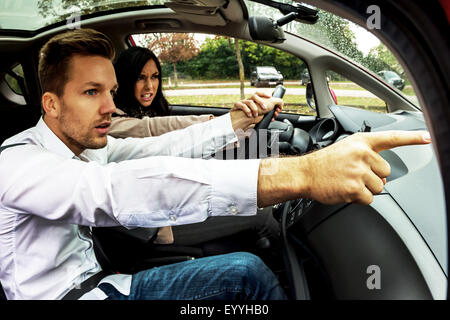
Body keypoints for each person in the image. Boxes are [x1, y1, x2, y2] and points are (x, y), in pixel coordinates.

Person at [0, 28, 430, 300]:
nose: (112, 106)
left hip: (112, 285)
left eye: (112, 91)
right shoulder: (17, 164)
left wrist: (234, 121)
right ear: (51, 104)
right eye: (92, 92)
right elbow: (118, 191)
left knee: (247, 271)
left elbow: (166, 149)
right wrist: (304, 173)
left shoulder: (90, 148)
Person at [106, 46, 281, 265]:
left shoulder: (144, 110)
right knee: (261, 215)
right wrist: (232, 120)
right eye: (140, 78)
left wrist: (240, 126)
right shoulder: (114, 125)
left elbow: (179, 142)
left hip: (176, 197)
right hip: (159, 221)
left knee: (255, 177)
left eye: (155, 77)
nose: (149, 86)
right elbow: (158, 132)